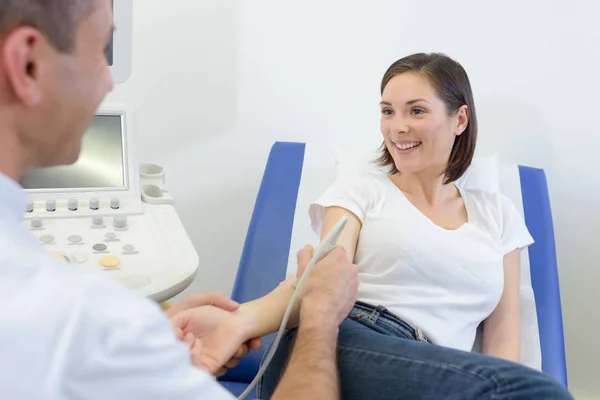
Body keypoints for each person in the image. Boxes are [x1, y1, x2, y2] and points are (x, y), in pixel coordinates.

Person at [0, 1, 359, 399]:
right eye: (101, 50)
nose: (108, 82)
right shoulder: (79, 318)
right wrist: (321, 318)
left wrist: (146, 356)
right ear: (27, 62)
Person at [171, 53, 575, 399]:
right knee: (540, 395)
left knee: (522, 389)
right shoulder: (361, 190)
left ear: (459, 119)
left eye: (416, 110)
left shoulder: (498, 213)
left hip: (439, 369)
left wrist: (498, 382)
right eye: (387, 111)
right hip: (347, 338)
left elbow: (503, 338)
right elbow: (319, 282)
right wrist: (237, 321)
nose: (397, 126)